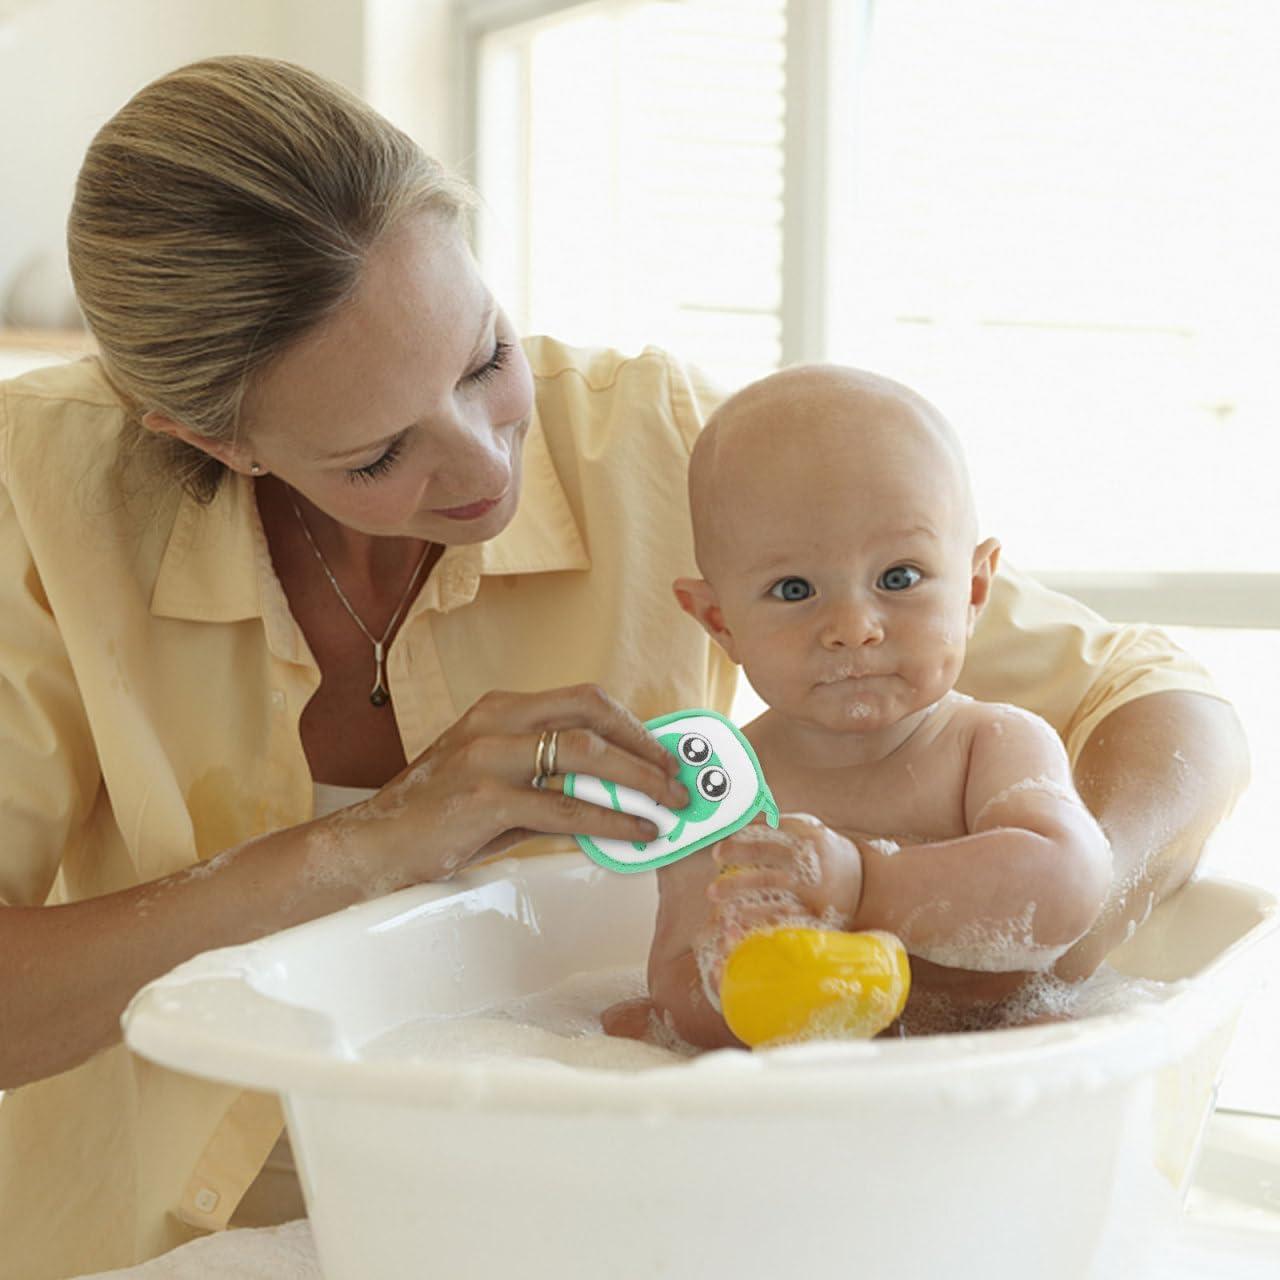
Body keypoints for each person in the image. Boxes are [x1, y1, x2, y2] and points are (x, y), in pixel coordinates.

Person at [0, 54, 1246, 1280]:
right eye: (380, 454)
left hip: (591, 1224)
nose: (486, 463)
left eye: (485, 356)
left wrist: (1045, 927)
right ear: (209, 437)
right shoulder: (42, 493)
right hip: (142, 1235)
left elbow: (1158, 698)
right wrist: (369, 844)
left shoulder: (663, 443)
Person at [617, 366, 1115, 1049]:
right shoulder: (722, 791)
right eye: (794, 589)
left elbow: (1069, 885)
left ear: (972, 592)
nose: (853, 626)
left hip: (982, 1068)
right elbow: (675, 982)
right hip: (803, 1101)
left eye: (899, 578)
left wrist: (866, 883)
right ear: (719, 621)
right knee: (624, 1030)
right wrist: (740, 980)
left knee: (1062, 1035)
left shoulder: (990, 745)